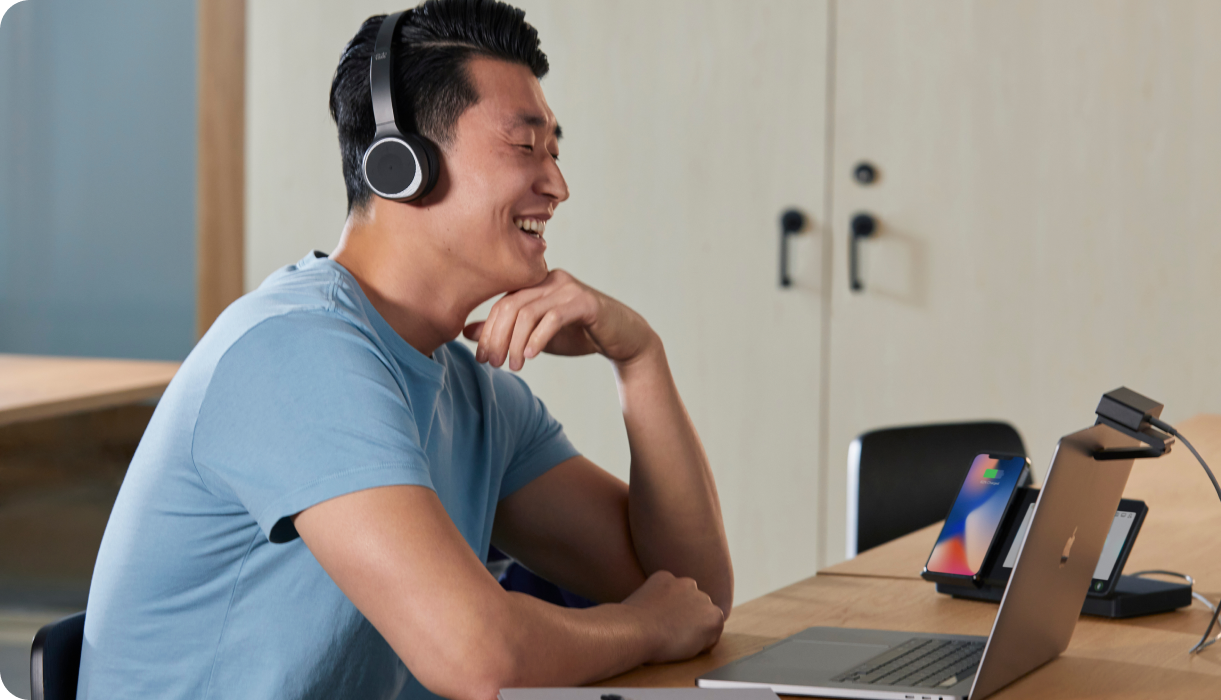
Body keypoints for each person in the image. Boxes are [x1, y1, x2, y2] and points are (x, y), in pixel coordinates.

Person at [77, 1, 732, 698]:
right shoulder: (296, 352)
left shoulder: (475, 394)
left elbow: (692, 595)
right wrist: (645, 628)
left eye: (556, 153)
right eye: (525, 147)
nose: (558, 186)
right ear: (401, 164)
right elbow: (478, 656)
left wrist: (639, 359)